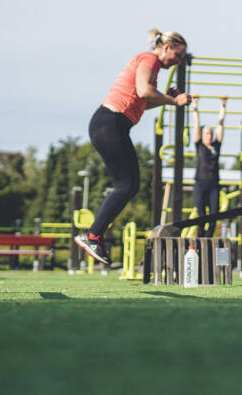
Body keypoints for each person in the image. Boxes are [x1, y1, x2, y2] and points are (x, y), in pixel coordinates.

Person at [75, 29, 192, 265]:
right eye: (178, 56)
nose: (178, 62)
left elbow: (141, 101)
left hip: (113, 125)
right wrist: (173, 100)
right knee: (126, 184)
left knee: (131, 185)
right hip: (109, 123)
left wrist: (165, 99)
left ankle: (94, 235)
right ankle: (92, 236)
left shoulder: (153, 67)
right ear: (166, 48)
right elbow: (144, 91)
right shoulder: (149, 59)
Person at [191, 96, 227, 236]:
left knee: (214, 217)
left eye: (211, 134)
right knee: (201, 217)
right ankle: (200, 240)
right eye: (207, 133)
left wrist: (223, 106)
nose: (209, 136)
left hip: (214, 185)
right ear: (202, 134)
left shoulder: (216, 146)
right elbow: (196, 122)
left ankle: (207, 239)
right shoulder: (199, 145)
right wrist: (195, 105)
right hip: (200, 184)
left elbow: (221, 124)